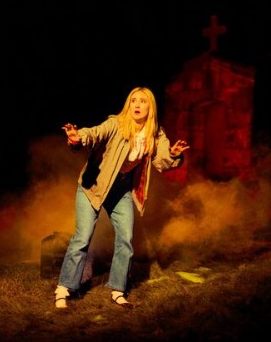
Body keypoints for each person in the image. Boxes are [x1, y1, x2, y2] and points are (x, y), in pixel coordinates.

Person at [54, 86, 189, 309]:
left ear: (150, 107)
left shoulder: (155, 133)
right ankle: (64, 288)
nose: (137, 105)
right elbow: (95, 133)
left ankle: (117, 290)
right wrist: (78, 138)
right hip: (93, 186)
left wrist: (174, 154)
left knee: (126, 239)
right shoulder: (116, 124)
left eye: (142, 101)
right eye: (133, 100)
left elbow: (162, 160)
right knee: (82, 238)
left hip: (121, 189)